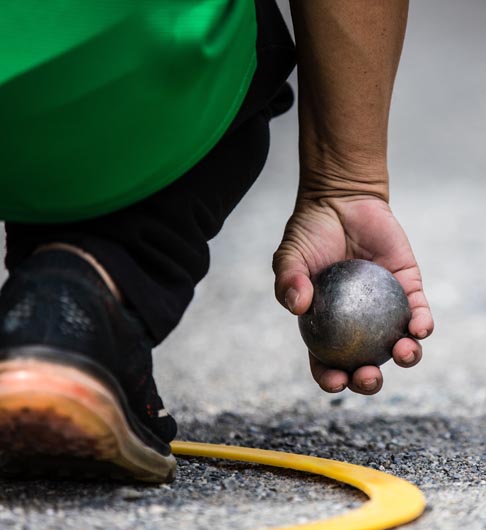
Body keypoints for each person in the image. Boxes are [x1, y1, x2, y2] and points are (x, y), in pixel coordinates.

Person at [0, 0, 433, 482]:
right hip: (124, 68)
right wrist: (347, 184)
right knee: (241, 38)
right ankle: (76, 296)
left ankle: (56, 315)